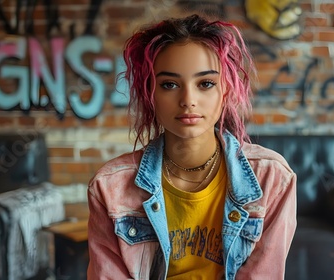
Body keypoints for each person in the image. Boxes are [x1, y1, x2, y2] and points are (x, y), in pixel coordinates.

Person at [87, 14, 296, 280]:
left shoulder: (272, 178)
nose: (188, 100)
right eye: (169, 84)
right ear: (150, 95)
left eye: (205, 83)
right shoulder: (109, 188)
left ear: (226, 93)